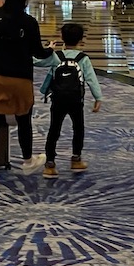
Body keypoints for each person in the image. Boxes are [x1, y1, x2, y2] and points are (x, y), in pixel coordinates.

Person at [0, 0, 53, 188]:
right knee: (23, 118)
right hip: (20, 78)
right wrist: (51, 49)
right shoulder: (29, 22)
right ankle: (28, 160)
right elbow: (38, 52)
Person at [37, 21, 102, 177]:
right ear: (81, 39)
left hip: (58, 99)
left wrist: (49, 49)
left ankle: (50, 164)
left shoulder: (56, 56)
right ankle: (76, 159)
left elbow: (36, 61)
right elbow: (91, 79)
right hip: (75, 100)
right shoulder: (83, 58)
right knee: (78, 128)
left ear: (62, 37)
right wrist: (98, 97)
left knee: (54, 129)